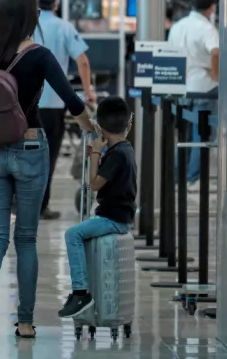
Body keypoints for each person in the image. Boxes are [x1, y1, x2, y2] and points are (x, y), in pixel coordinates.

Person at [0, 0, 95, 342]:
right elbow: (72, 100)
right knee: (26, 239)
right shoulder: (38, 55)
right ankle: (24, 322)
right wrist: (93, 129)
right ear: (33, 16)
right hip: (28, 149)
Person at [59, 97, 136, 318]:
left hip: (112, 219)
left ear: (101, 128)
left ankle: (81, 291)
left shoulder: (116, 155)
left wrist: (95, 152)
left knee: (73, 234)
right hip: (121, 216)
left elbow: (93, 184)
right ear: (127, 125)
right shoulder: (125, 148)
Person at [33, 0, 97, 220]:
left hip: (27, 103)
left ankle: (22, 203)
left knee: (24, 153)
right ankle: (41, 206)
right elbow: (82, 60)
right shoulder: (63, 27)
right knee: (48, 156)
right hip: (54, 103)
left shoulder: (27, 27)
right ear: (56, 3)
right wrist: (88, 91)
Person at [167, 0, 219, 187]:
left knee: (183, 135)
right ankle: (192, 179)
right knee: (202, 136)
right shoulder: (207, 29)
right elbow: (215, 52)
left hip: (182, 87)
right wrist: (216, 74)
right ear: (211, 8)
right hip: (205, 87)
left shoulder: (178, 27)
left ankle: (178, 176)